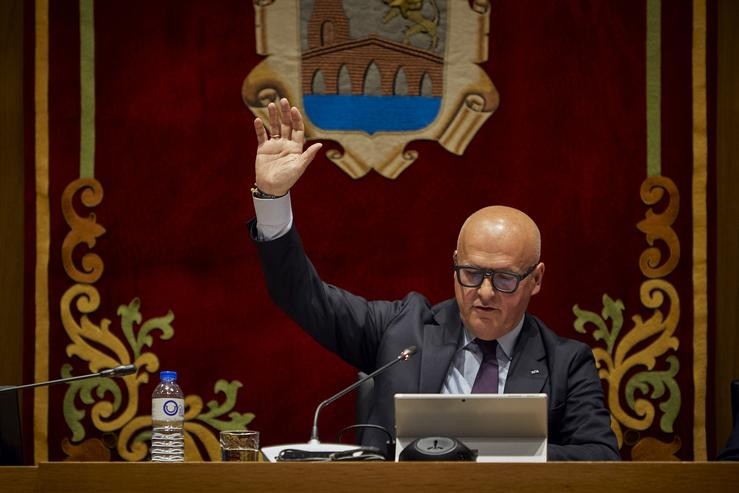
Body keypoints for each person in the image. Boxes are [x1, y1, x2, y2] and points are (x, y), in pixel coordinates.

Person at [248, 98, 620, 461]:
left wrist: (499, 457)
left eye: (505, 278)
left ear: (536, 279)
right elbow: (302, 296)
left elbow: (602, 457)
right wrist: (273, 198)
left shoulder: (566, 364)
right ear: (455, 264)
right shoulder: (403, 331)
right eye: (472, 274)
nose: (485, 293)